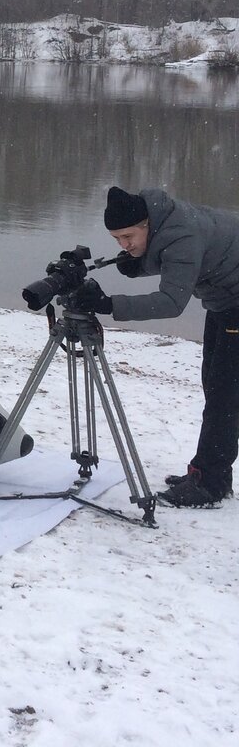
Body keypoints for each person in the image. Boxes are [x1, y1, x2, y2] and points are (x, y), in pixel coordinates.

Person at [78, 186, 239, 508]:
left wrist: (108, 304)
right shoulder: (164, 220)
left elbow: (171, 302)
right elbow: (182, 259)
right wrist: (138, 263)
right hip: (225, 301)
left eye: (127, 237)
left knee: (225, 396)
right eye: (116, 240)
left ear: (146, 224)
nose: (123, 245)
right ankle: (210, 474)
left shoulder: (181, 234)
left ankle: (209, 485)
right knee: (216, 386)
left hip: (233, 301)